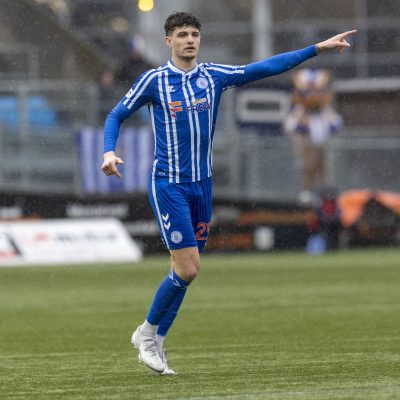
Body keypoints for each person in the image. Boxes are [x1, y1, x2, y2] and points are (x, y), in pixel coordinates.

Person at [102, 11, 356, 375]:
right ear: (168, 41)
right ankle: (147, 335)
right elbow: (116, 115)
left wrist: (316, 49)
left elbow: (266, 67)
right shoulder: (154, 80)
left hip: (202, 186)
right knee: (189, 268)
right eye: (182, 35)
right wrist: (109, 151)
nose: (190, 40)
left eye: (194, 34)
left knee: (184, 271)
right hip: (169, 184)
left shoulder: (213, 76)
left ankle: (156, 339)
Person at [284, 68, 343, 203]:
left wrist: (330, 125)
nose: (313, 95)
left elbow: (337, 123)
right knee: (308, 168)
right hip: (306, 146)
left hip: (324, 146)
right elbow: (290, 126)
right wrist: (301, 124)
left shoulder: (325, 111)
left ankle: (326, 194)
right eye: (308, 92)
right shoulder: (299, 111)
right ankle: (307, 191)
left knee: (325, 170)